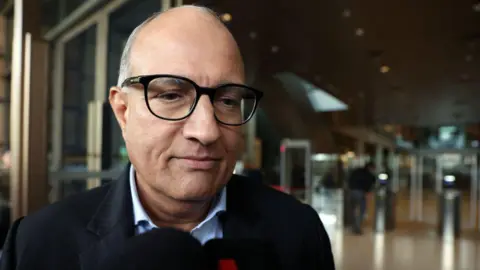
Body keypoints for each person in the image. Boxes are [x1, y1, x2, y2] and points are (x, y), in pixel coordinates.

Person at [0, 5, 334, 270]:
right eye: (172, 96)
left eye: (228, 100)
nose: (206, 131)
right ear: (122, 111)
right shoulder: (38, 243)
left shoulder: (298, 233)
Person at [347, 162, 376, 234]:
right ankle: (357, 227)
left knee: (352, 210)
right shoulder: (369, 175)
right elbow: (369, 185)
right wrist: (368, 193)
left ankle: (353, 226)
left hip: (352, 192)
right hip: (361, 193)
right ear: (370, 167)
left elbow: (349, 179)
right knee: (362, 211)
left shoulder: (356, 171)